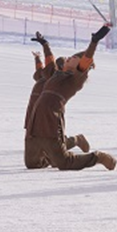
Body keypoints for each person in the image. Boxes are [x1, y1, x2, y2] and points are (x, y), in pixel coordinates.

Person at [25, 25, 117, 171]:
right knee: (32, 163)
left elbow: (86, 61)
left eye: (74, 58)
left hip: (51, 119)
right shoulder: (55, 74)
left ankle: (97, 157)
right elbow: (49, 65)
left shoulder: (74, 80)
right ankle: (61, 150)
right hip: (35, 120)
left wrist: (94, 41)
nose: (70, 58)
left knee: (64, 163)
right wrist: (45, 45)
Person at [24, 32, 89, 169]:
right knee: (38, 142)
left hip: (50, 113)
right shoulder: (44, 77)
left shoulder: (57, 77)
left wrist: (46, 46)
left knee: (52, 140)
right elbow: (41, 69)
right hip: (35, 111)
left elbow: (49, 62)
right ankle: (52, 156)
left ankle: (75, 140)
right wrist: (37, 58)